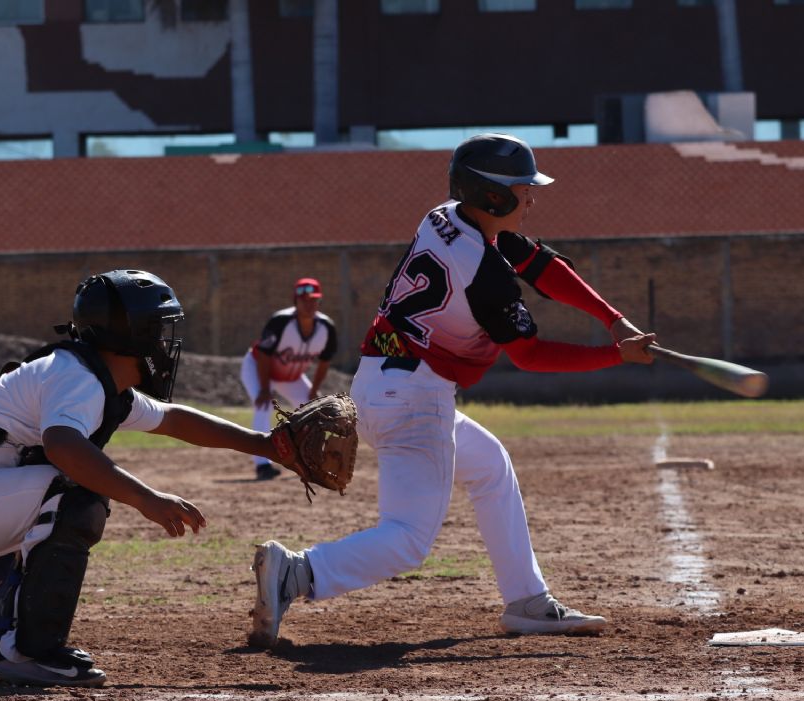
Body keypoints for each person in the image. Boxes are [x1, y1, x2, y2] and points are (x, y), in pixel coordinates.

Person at [248, 133, 657, 647]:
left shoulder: (446, 215)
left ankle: (527, 600)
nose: (532, 197)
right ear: (493, 197)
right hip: (416, 398)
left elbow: (539, 264)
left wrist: (612, 319)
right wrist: (615, 356)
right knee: (409, 540)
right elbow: (528, 354)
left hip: (382, 382)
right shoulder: (484, 274)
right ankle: (297, 573)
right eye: (522, 189)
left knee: (489, 463)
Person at [0, 269, 292, 687]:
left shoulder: (92, 377)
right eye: (159, 328)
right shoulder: (78, 377)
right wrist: (146, 498)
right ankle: (32, 652)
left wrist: (268, 445)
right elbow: (64, 447)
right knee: (74, 491)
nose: (165, 340)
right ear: (133, 333)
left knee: (48, 500)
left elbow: (175, 420)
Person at [240, 277, 338, 480]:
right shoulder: (280, 322)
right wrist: (265, 389)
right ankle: (262, 466)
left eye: (314, 300)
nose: (309, 304)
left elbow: (324, 362)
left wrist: (313, 391)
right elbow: (265, 356)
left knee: (315, 411)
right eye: (304, 300)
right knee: (263, 406)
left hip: (292, 377)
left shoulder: (326, 327)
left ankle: (312, 459)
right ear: (296, 301)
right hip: (257, 367)